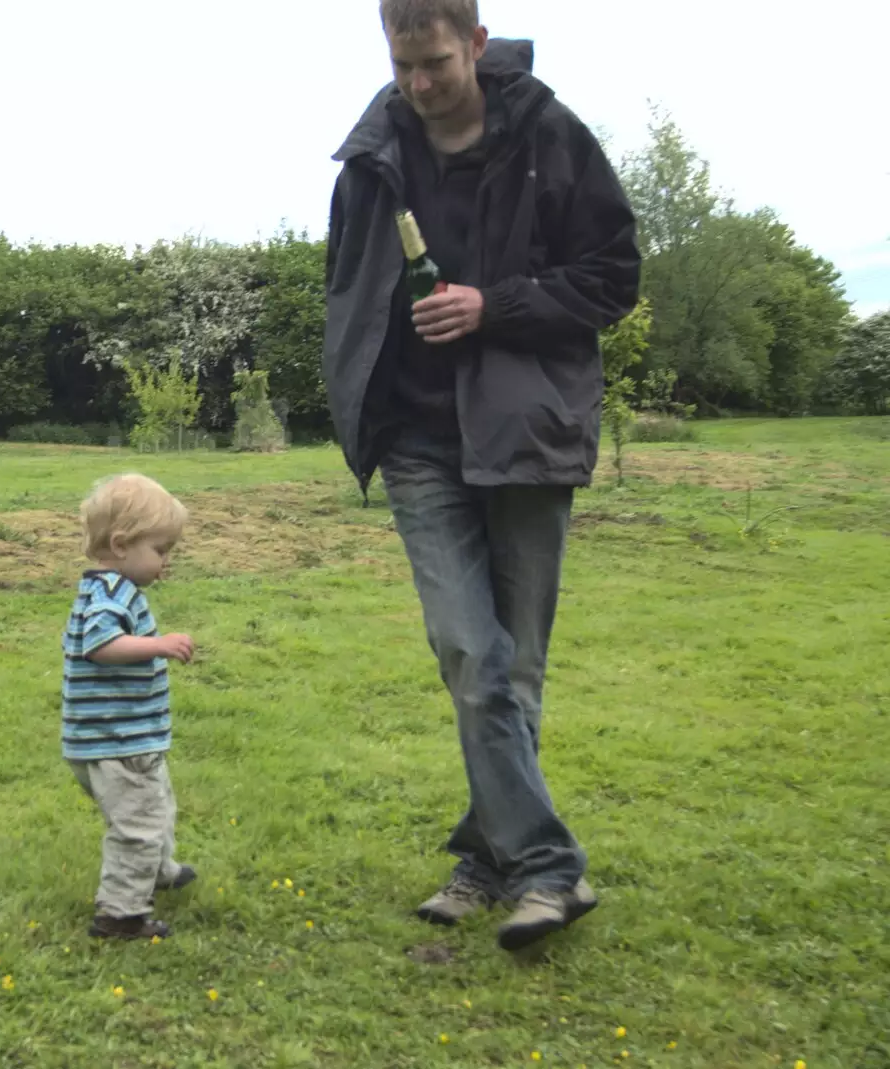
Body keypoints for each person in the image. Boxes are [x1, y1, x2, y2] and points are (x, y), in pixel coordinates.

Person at [322, 0, 641, 950]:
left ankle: (489, 858)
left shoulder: (549, 134)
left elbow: (612, 277)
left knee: (513, 668)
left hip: (526, 432)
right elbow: (346, 282)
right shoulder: (376, 154)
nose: (419, 85)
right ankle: (548, 867)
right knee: (470, 652)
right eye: (402, 64)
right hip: (419, 440)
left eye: (436, 65)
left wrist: (492, 305)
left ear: (476, 43)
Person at [62, 473, 198, 939]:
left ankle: (158, 870)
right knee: (137, 823)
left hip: (114, 738)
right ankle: (120, 914)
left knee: (155, 804)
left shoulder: (102, 590)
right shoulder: (111, 596)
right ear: (121, 544)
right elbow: (102, 645)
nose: (166, 563)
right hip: (118, 741)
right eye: (161, 551)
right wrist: (157, 645)